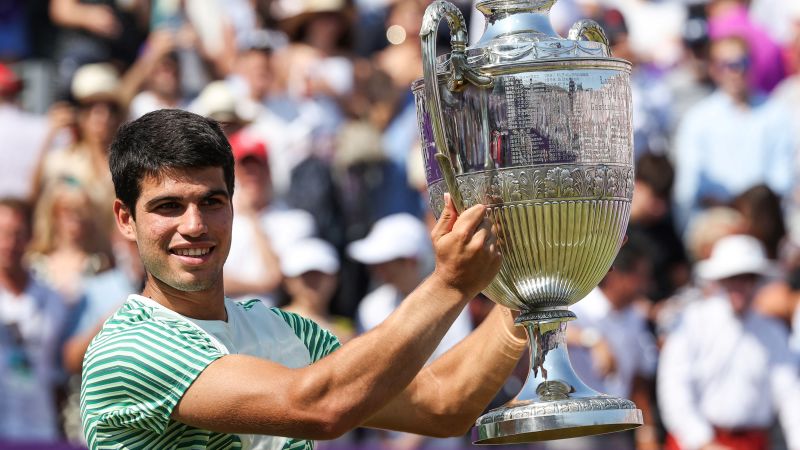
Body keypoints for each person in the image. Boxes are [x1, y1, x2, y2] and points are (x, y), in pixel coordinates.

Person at [81, 109, 528, 449]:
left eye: (212, 201)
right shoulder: (127, 349)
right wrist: (449, 284)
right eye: (168, 206)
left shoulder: (284, 329)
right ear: (125, 219)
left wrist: (532, 287)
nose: (195, 225)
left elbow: (442, 404)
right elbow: (317, 407)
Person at [658, 234, 800, 450]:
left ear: (756, 281)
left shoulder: (773, 332)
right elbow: (674, 388)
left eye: (747, 278)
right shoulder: (692, 321)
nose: (740, 286)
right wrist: (703, 441)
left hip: (752, 442)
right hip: (695, 441)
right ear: (720, 280)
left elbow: (790, 395)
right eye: (733, 278)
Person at [671, 35, 795, 231]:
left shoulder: (777, 114)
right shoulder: (698, 119)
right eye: (726, 65)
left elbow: (783, 179)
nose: (736, 71)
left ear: (752, 64)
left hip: (765, 222)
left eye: (742, 63)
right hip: (715, 224)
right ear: (713, 69)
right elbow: (689, 187)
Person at [552, 237, 659, 450]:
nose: (646, 285)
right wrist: (593, 340)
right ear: (617, 276)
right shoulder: (577, 303)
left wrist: (646, 432)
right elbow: (546, 333)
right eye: (640, 276)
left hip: (616, 427)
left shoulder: (635, 317)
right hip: (573, 427)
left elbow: (638, 380)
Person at [0, 197, 68, 442]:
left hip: (40, 431)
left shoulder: (53, 300)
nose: (9, 243)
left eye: (16, 234)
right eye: (2, 233)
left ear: (30, 237)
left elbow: (59, 373)